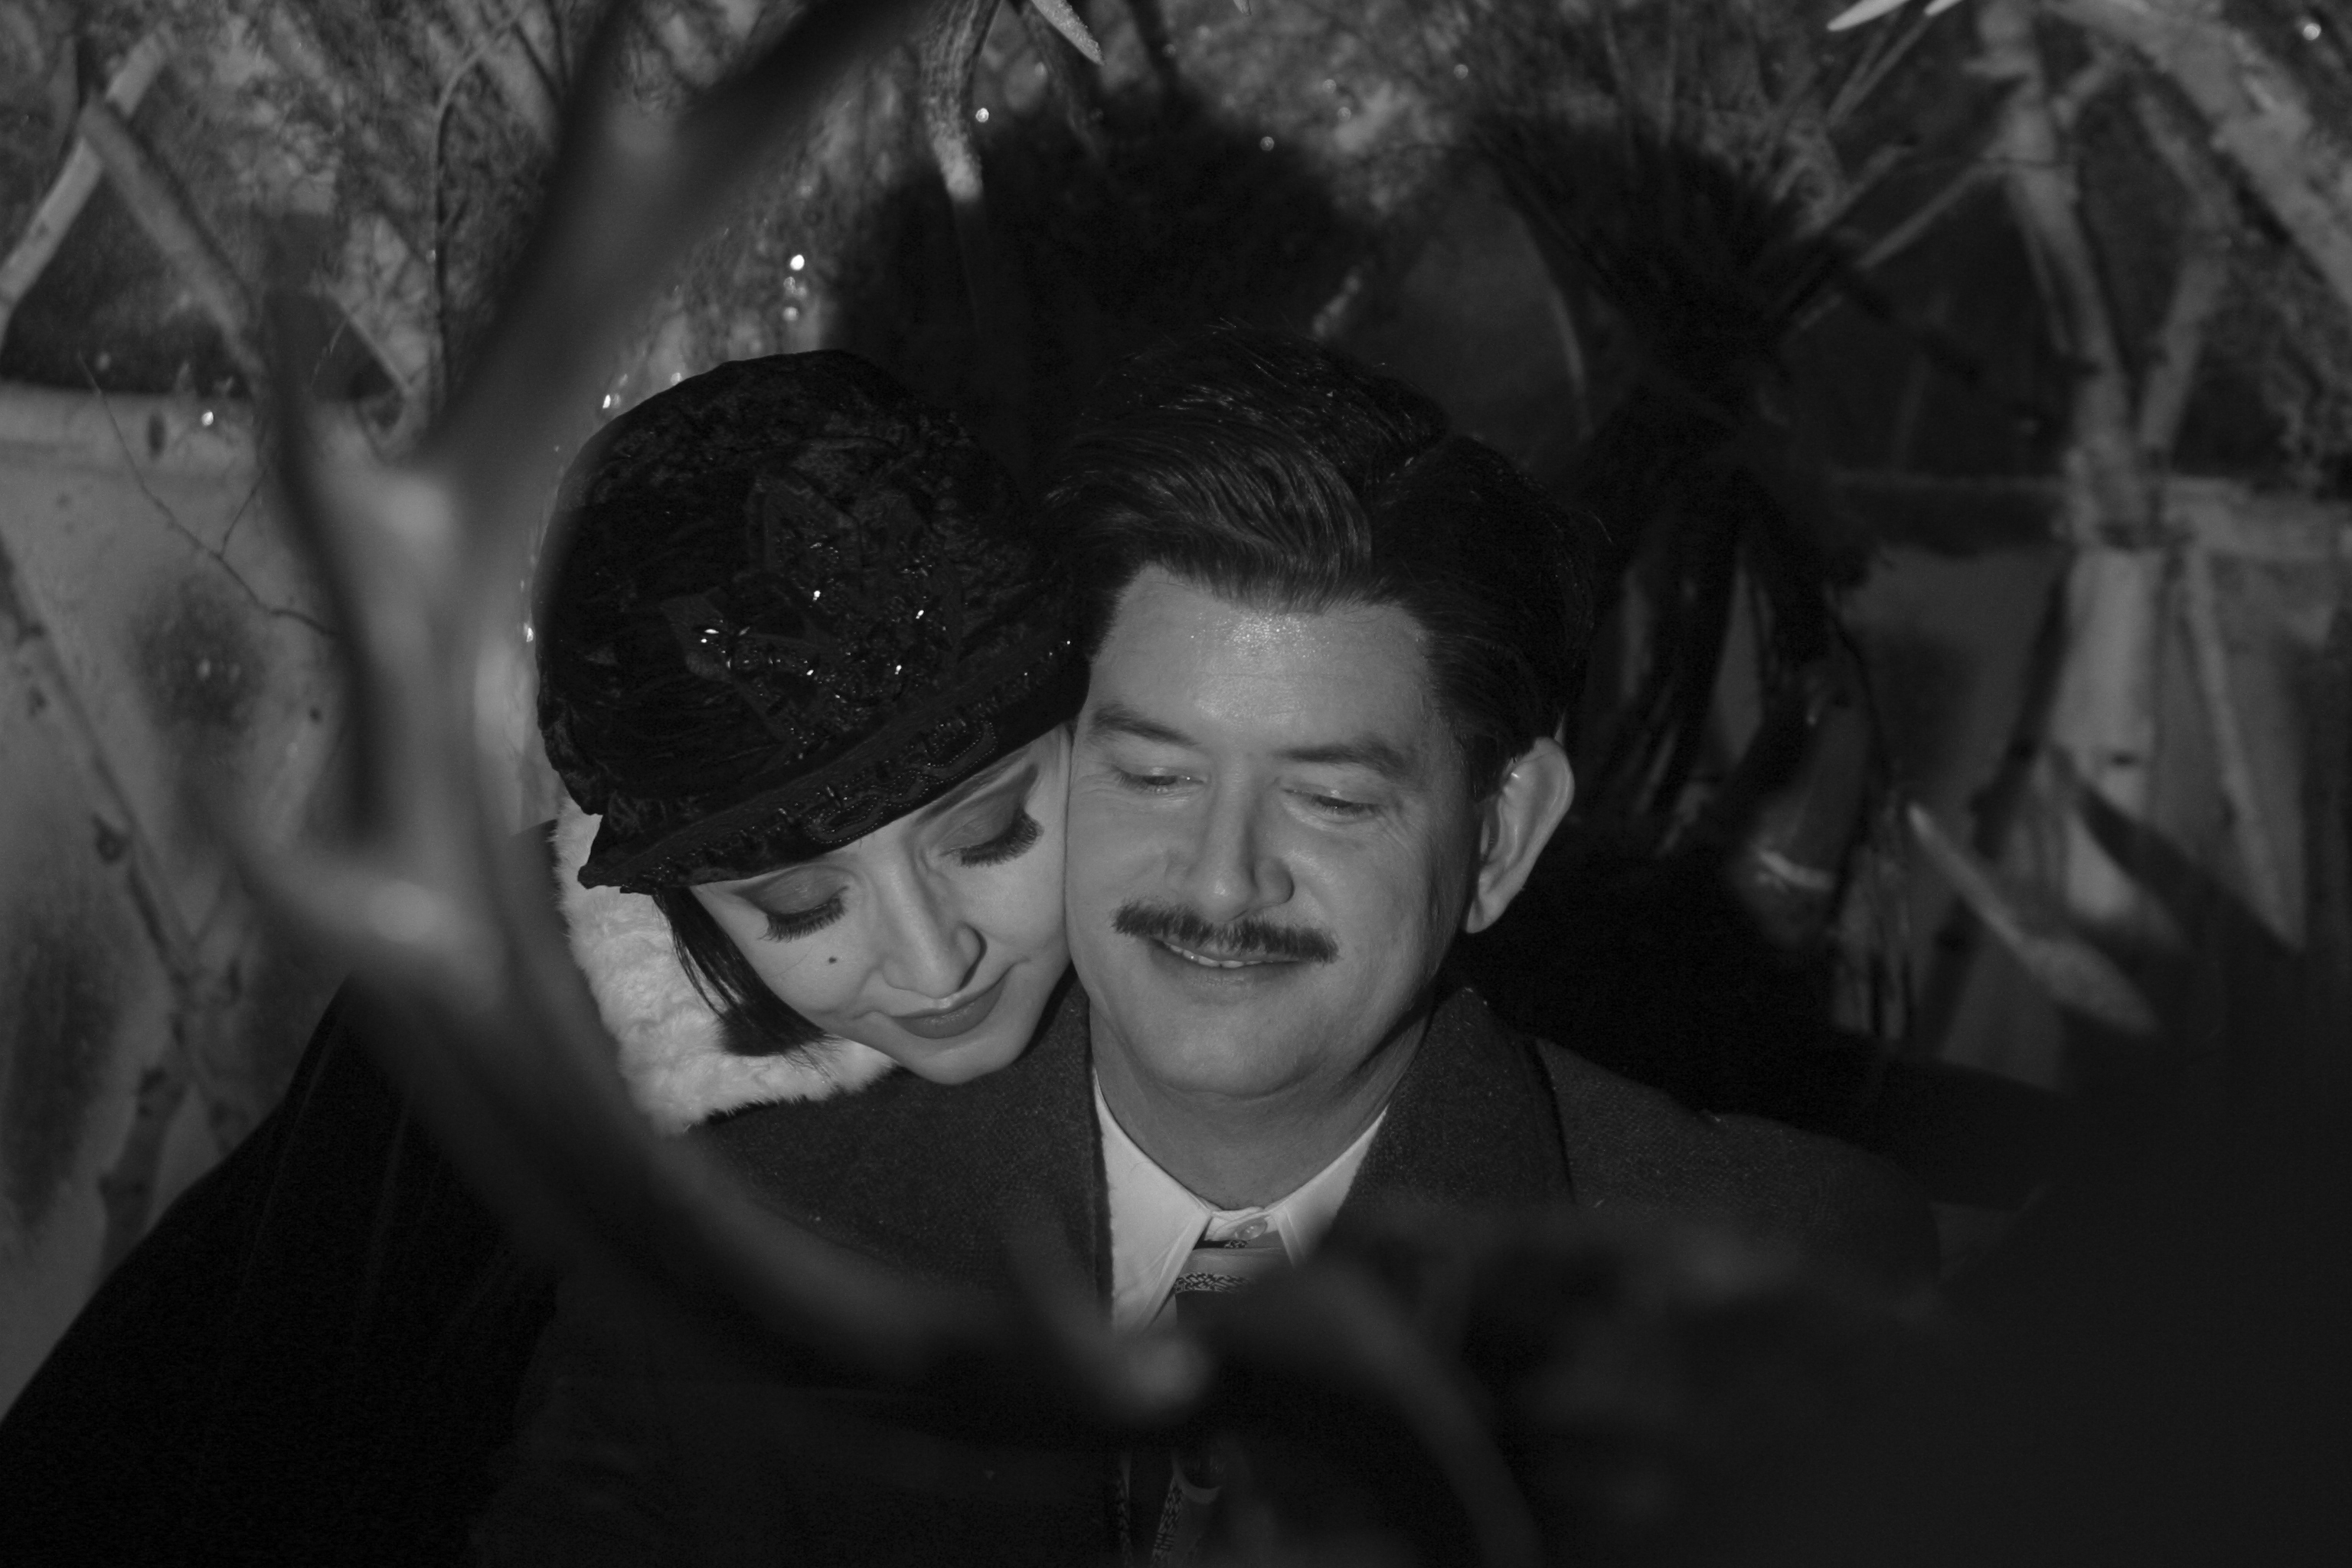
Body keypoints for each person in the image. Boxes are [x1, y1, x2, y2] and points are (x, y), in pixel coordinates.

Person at [476, 328, 1936, 1566]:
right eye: (1154, 775)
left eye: (1333, 799)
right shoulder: (719, 1260)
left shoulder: (1777, 1280)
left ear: (1498, 838)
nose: (1224, 880)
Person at [0, 351, 1086, 1565]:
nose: (937, 963)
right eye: (797, 906)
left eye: (992, 833)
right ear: (673, 897)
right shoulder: (471, 1054)